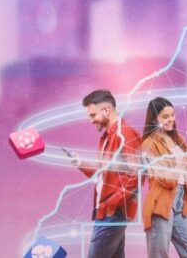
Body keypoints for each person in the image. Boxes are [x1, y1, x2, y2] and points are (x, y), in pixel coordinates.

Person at [65, 89, 141, 258]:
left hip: (112, 214)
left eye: (93, 115)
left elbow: (136, 176)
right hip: (108, 212)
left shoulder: (126, 134)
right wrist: (80, 163)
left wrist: (111, 204)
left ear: (106, 110)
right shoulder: (107, 137)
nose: (91, 120)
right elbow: (103, 175)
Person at [140, 97, 187, 257]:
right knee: (159, 254)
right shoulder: (148, 145)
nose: (171, 119)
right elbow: (166, 179)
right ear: (154, 119)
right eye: (165, 116)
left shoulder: (176, 139)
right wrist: (185, 158)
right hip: (160, 205)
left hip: (180, 203)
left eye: (172, 115)